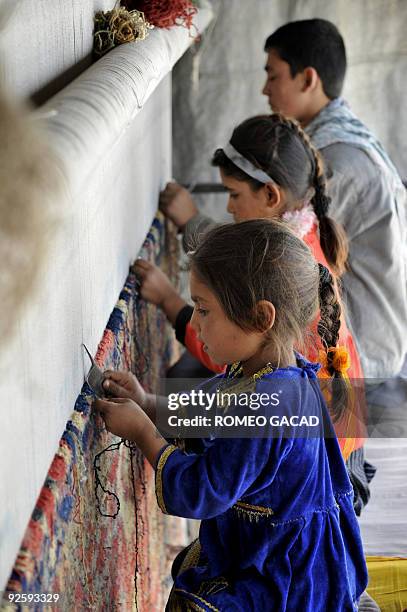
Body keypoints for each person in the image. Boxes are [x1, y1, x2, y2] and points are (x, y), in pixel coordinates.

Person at [95, 220, 368, 611]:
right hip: (272, 542)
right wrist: (147, 402)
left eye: (204, 310)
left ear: (260, 318)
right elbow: (208, 410)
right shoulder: (265, 370)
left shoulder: (271, 403)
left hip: (288, 578)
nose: (195, 322)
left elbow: (201, 491)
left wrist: (143, 432)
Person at [137, 114, 369, 508]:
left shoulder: (280, 273)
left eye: (234, 194)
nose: (228, 207)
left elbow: (206, 489)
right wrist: (148, 405)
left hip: (330, 474)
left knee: (202, 404)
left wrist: (168, 302)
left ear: (271, 197)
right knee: (193, 388)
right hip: (336, 443)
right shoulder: (299, 241)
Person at [262, 18, 407, 385]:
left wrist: (193, 224)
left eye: (273, 75)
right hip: (362, 351)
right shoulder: (341, 143)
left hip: (359, 361)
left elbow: (278, 259)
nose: (265, 90)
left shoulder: (336, 162)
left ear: (308, 79)